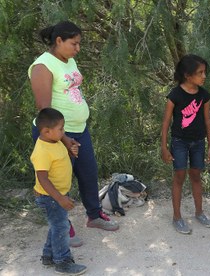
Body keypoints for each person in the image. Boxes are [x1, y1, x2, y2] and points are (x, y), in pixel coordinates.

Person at [28, 21, 119, 245]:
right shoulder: (42, 66)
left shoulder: (68, 60)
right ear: (58, 41)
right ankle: (62, 225)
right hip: (55, 135)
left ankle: (94, 216)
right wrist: (64, 138)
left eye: (79, 44)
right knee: (58, 181)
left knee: (88, 173)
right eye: (74, 44)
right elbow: (44, 108)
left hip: (79, 130)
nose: (78, 49)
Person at [161, 54, 210, 234]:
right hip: (179, 142)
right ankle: (177, 217)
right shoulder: (175, 95)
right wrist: (164, 147)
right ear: (187, 75)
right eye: (200, 73)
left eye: (204, 72)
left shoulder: (204, 95)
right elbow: (166, 122)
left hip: (198, 142)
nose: (204, 76)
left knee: (196, 176)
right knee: (179, 176)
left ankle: (199, 212)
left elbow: (207, 121)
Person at [31, 108, 87, 275]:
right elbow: (43, 179)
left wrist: (71, 150)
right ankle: (62, 261)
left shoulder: (54, 142)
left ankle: (48, 256)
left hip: (57, 195)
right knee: (61, 226)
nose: (64, 132)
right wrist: (60, 198)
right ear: (46, 131)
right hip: (50, 197)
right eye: (61, 129)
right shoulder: (41, 151)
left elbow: (61, 158)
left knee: (56, 226)